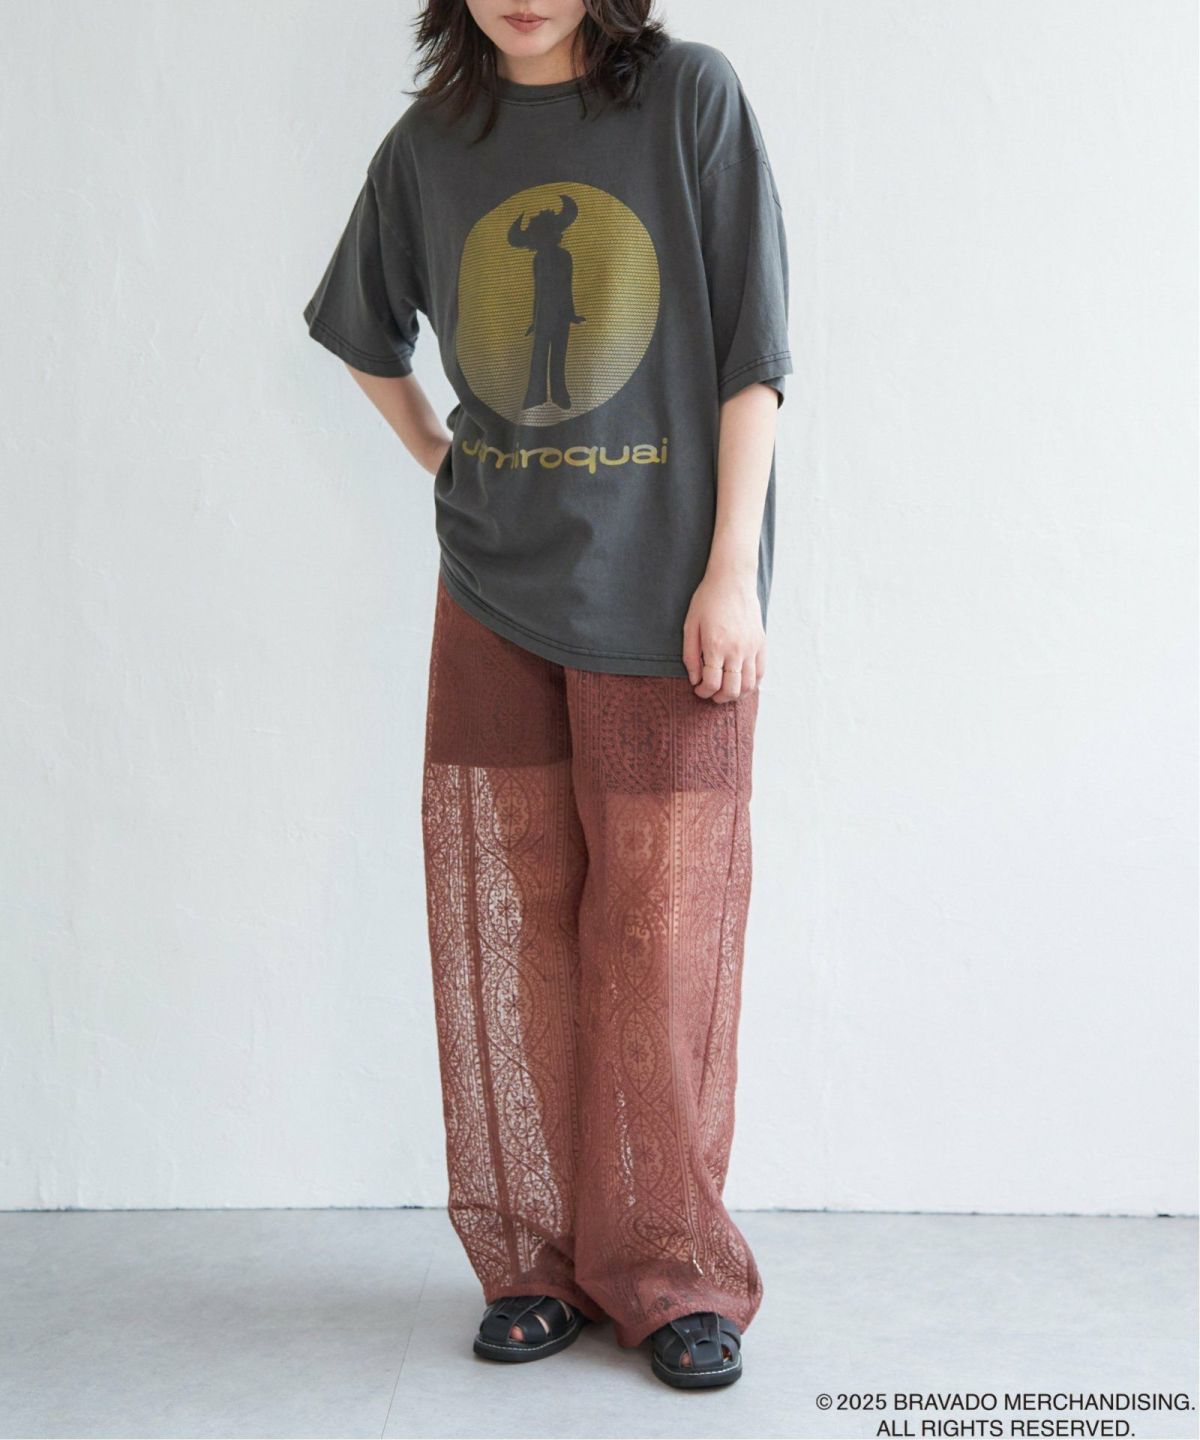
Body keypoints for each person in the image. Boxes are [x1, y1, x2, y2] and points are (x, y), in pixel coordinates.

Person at [301, 0, 791, 1391]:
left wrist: (733, 573)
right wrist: (443, 458)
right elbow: (363, 331)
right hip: (493, 597)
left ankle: (674, 1269)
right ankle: (530, 1257)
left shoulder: (689, 99)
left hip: (665, 596)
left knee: (660, 932)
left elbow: (754, 353)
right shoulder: (430, 145)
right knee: (506, 925)